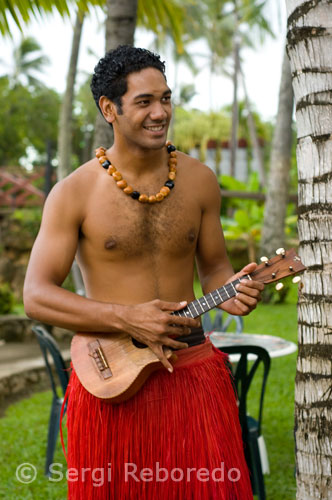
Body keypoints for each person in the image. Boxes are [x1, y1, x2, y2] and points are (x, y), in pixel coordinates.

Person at [24, 45, 264, 499]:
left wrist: (230, 291)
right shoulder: (73, 192)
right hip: (113, 382)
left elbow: (215, 269)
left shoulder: (199, 180)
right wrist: (125, 317)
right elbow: (36, 295)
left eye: (166, 99)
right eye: (144, 102)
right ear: (109, 109)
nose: (160, 113)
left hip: (194, 373)